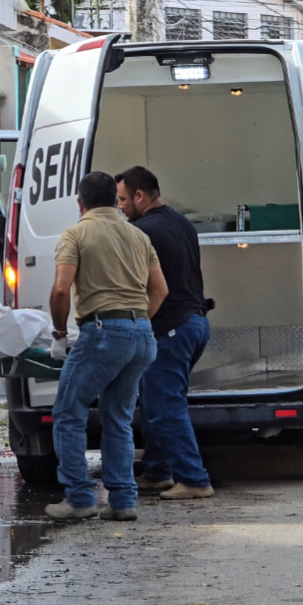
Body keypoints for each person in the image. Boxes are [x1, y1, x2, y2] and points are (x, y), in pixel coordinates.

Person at [45, 172, 168, 522]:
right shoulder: (138, 235)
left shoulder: (77, 233)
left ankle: (80, 498)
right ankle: (123, 501)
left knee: (69, 413)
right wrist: (137, 321)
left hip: (101, 333)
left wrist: (58, 333)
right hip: (142, 335)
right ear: (117, 201)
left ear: (80, 203)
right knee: (119, 418)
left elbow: (59, 289)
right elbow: (159, 291)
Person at [116, 166, 214, 501]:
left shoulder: (142, 232)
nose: (121, 207)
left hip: (172, 328)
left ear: (140, 196)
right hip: (195, 324)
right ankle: (158, 471)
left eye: (123, 199)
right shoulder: (181, 222)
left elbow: (146, 285)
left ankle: (194, 480)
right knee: (157, 397)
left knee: (164, 404)